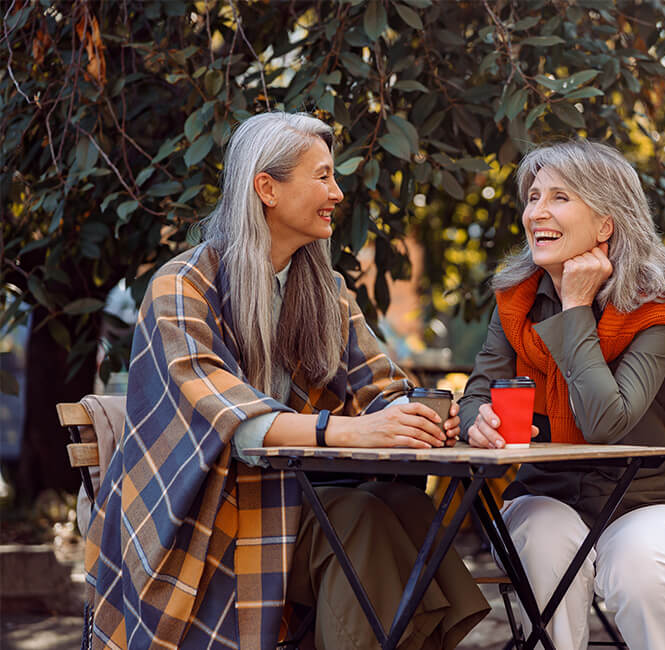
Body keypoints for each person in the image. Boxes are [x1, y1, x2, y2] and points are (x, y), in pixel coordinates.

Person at [83, 112, 488, 649]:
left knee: (406, 506)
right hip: (199, 522)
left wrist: (417, 415)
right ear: (267, 188)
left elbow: (381, 388)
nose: (338, 193)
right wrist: (353, 433)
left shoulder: (325, 291)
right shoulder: (180, 288)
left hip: (290, 502)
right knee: (363, 520)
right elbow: (231, 420)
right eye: (322, 176)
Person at [459, 140, 665, 649]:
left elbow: (604, 422)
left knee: (643, 567)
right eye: (533, 197)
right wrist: (474, 422)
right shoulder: (515, 303)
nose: (537, 213)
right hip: (547, 492)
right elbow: (476, 394)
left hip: (650, 497)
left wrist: (574, 308)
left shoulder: (656, 304)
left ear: (605, 225)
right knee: (544, 547)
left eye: (560, 197)